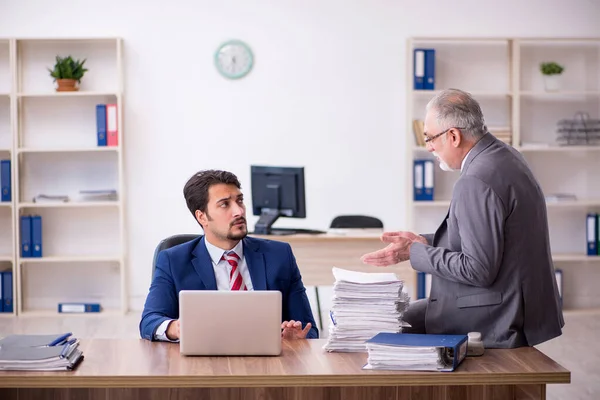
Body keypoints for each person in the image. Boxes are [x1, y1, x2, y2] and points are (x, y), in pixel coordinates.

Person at [361, 88, 564, 349]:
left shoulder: (475, 180)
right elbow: (486, 237)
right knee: (405, 316)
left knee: (382, 328)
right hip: (518, 306)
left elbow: (477, 268)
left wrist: (416, 254)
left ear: (453, 135)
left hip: (497, 316)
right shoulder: (506, 156)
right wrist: (424, 242)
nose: (429, 147)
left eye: (430, 138)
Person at [140, 169, 318, 341]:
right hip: (205, 363)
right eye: (225, 204)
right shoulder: (173, 260)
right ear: (202, 217)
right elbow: (149, 322)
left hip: (267, 363)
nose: (239, 211)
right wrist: (175, 328)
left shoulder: (279, 256)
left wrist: (296, 338)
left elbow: (309, 328)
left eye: (239, 201)